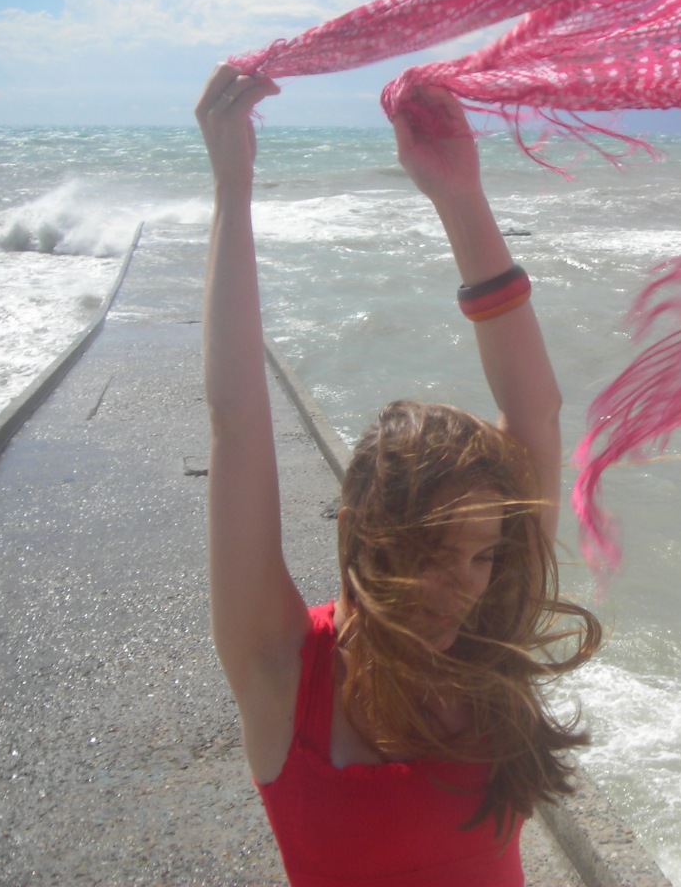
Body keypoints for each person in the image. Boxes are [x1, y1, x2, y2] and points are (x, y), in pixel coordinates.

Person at [195, 63, 602, 886]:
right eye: (434, 554)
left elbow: (536, 414)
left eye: (481, 554)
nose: (463, 587)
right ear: (358, 534)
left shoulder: (484, 640)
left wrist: (460, 197)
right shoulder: (283, 669)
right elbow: (237, 422)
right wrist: (233, 188)